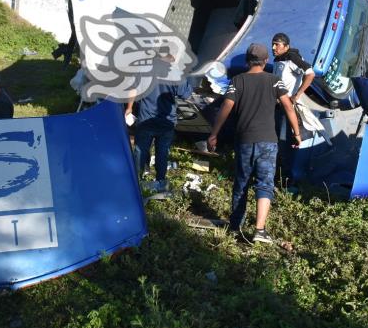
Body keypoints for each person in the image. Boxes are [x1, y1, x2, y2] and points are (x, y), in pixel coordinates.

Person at [207, 43, 300, 244]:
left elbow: (226, 107)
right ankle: (259, 229)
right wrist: (297, 132)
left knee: (242, 182)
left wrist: (214, 133)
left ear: (248, 61)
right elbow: (288, 107)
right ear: (266, 61)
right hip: (267, 141)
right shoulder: (275, 81)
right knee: (264, 184)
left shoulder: (237, 81)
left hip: (244, 141)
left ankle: (235, 226)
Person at [128, 71, 192, 193]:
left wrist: (129, 108)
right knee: (162, 153)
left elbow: (133, 89)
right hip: (166, 122)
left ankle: (135, 183)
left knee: (140, 151)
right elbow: (186, 94)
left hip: (146, 119)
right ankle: (160, 182)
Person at [271, 33, 315, 185]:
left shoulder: (292, 58)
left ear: (286, 46)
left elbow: (310, 74)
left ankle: (287, 181)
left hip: (287, 107)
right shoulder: (278, 60)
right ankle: (277, 176)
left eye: (277, 44)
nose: (274, 47)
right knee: (276, 142)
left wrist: (297, 95)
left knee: (283, 144)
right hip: (276, 106)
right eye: (273, 44)